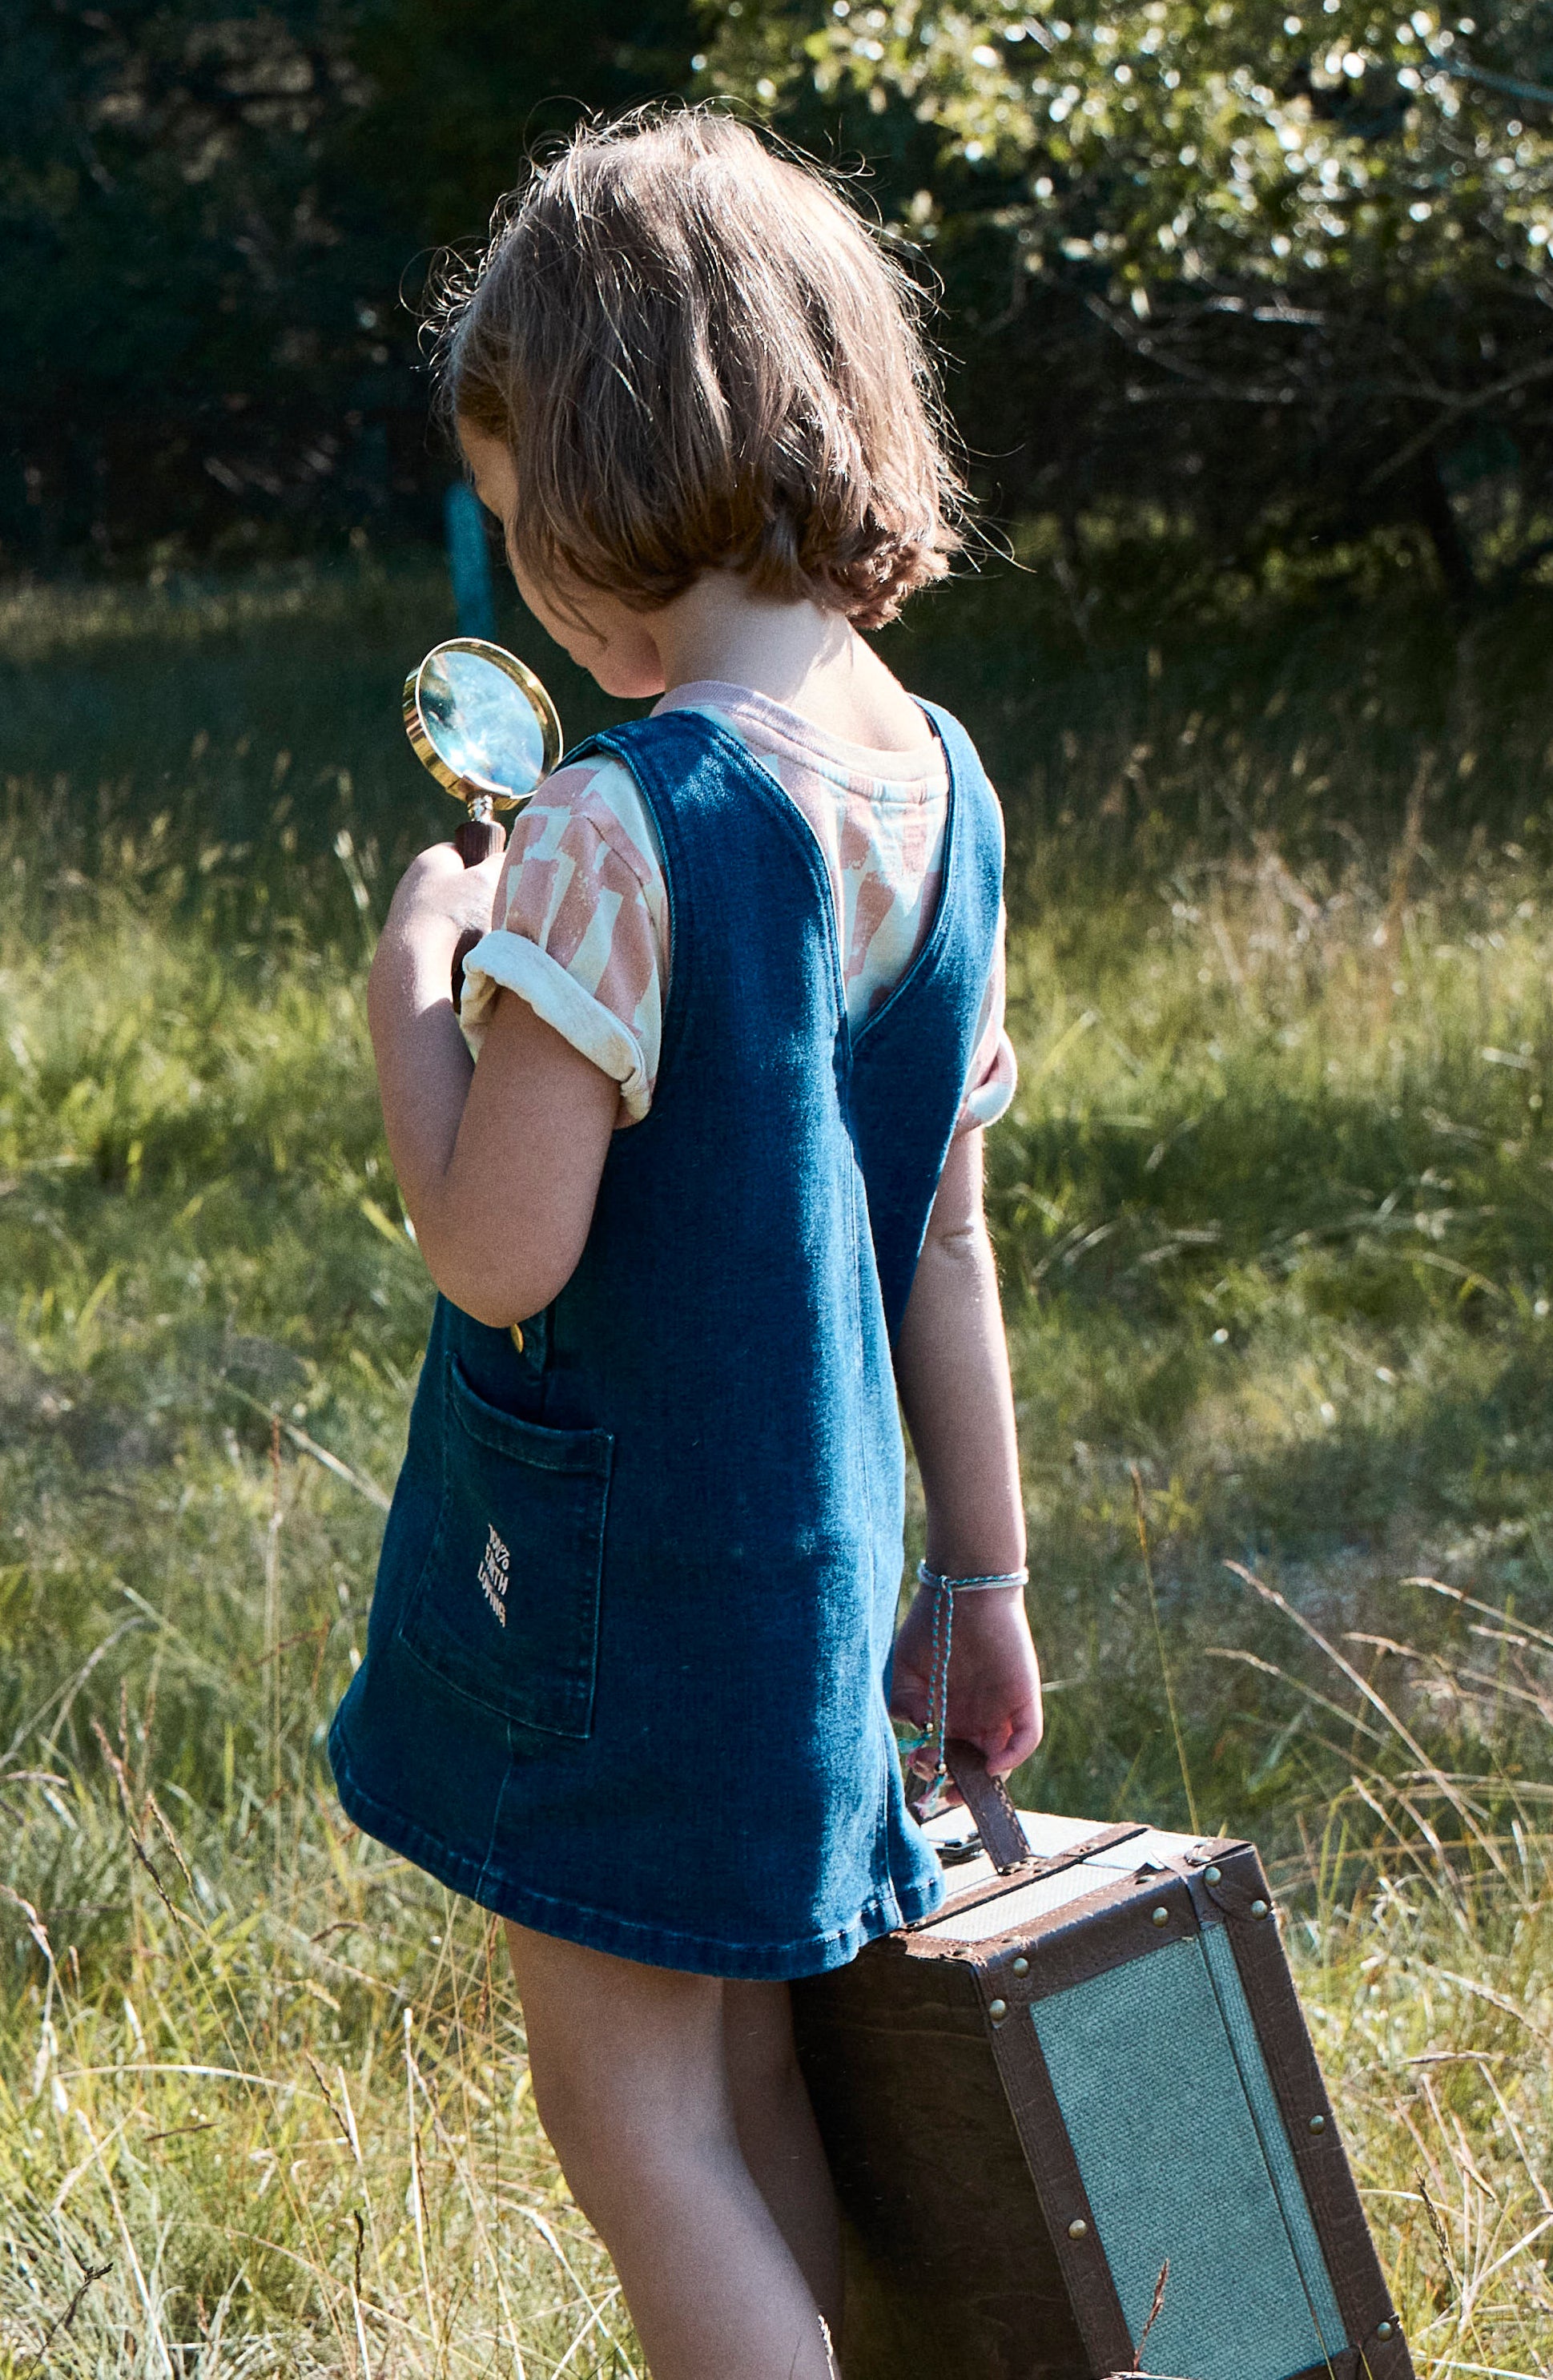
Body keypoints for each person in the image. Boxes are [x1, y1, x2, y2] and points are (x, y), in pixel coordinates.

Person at [328, 105, 1043, 2380]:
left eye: (518, 510)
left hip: (624, 1607)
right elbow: (942, 1225)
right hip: (822, 1579)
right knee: (744, 2090)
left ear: (598, 484)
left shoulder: (624, 826)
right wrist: (986, 1573)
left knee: (631, 2120)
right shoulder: (936, 785)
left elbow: (500, 1250)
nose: (523, 563)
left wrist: (407, 1007)